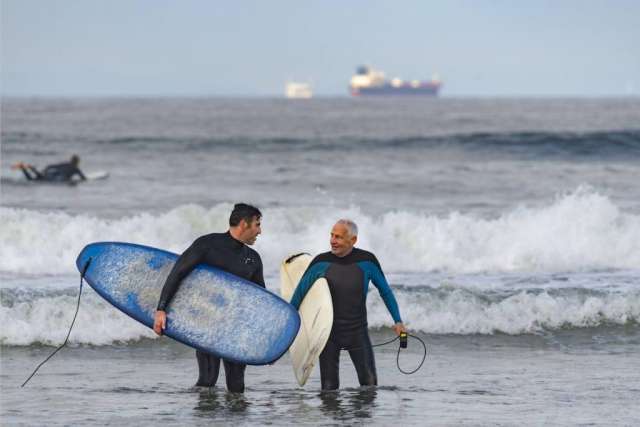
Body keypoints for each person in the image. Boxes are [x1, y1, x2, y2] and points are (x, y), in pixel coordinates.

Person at [153, 203, 264, 393]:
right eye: (257, 224)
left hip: (236, 329)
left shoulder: (253, 258)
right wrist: (161, 309)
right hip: (207, 324)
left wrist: (267, 341)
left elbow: (260, 300)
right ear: (244, 224)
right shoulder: (207, 245)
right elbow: (178, 273)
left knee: (237, 386)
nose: (260, 231)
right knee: (207, 381)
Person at [290, 219, 407, 391]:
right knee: (329, 390)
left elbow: (385, 292)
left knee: (369, 386)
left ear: (353, 240)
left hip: (357, 331)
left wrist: (398, 321)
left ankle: (360, 419)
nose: (332, 240)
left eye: (338, 237)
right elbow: (299, 295)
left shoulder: (367, 261)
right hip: (327, 334)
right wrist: (287, 328)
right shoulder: (320, 263)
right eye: (331, 235)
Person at [12, 154, 86, 182]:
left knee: (35, 179)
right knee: (35, 179)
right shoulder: (76, 169)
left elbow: (52, 166)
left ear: (71, 160)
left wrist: (45, 169)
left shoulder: (65, 164)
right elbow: (83, 178)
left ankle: (24, 168)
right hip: (56, 178)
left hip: (52, 174)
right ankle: (27, 168)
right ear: (77, 162)